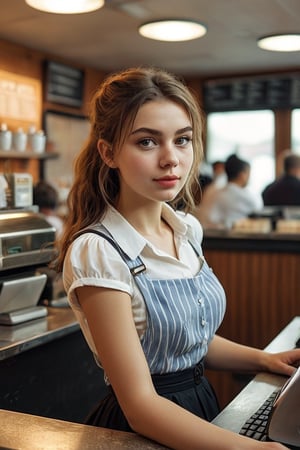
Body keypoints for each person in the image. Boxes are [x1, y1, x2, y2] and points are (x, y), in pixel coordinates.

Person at [53, 67, 299, 450]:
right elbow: (140, 405)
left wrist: (265, 360)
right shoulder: (99, 250)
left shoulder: (186, 228)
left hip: (198, 409)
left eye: (182, 140)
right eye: (148, 142)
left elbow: (189, 342)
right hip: (142, 431)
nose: (171, 159)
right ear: (109, 152)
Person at [199, 154, 263, 229]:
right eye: (248, 173)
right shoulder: (245, 197)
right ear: (242, 175)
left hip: (205, 233)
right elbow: (259, 209)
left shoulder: (212, 190)